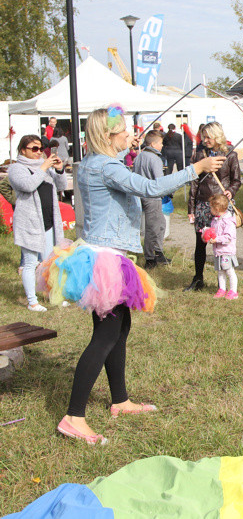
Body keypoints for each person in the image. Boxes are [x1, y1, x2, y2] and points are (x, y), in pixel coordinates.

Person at [43, 105, 222, 445]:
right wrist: (195, 168)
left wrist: (128, 145)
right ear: (107, 136)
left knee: (119, 330)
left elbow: (116, 159)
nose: (129, 134)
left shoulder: (92, 163)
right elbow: (149, 188)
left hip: (102, 254)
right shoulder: (108, 167)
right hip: (106, 259)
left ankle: (120, 400)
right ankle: (73, 416)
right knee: (105, 337)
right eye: (123, 130)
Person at [8, 135, 67, 312]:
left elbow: (61, 185)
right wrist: (44, 167)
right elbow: (28, 185)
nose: (39, 152)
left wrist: (59, 170)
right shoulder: (16, 168)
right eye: (34, 149)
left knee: (50, 262)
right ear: (23, 150)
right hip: (30, 223)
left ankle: (52, 295)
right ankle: (32, 301)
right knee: (30, 262)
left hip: (48, 221)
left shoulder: (44, 167)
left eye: (41, 149)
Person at [186, 122, 241, 292]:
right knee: (200, 243)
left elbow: (237, 180)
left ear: (217, 136)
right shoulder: (199, 154)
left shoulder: (230, 154)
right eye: (203, 136)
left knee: (223, 243)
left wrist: (231, 191)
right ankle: (198, 278)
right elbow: (194, 182)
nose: (205, 139)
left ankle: (224, 282)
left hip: (222, 204)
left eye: (208, 136)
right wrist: (191, 208)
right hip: (203, 203)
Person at [133, 130, 170, 269]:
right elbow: (159, 181)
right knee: (153, 228)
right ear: (153, 144)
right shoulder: (155, 158)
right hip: (152, 196)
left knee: (159, 224)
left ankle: (158, 252)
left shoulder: (139, 156)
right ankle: (150, 258)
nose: (162, 146)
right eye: (160, 143)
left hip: (140, 194)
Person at [207, 193, 239, 300]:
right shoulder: (215, 220)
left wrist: (217, 240)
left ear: (217, 208)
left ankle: (233, 291)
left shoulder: (228, 221)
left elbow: (228, 237)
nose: (210, 209)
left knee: (229, 270)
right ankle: (222, 289)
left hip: (226, 251)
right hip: (218, 251)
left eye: (211, 207)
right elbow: (213, 232)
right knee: (220, 271)